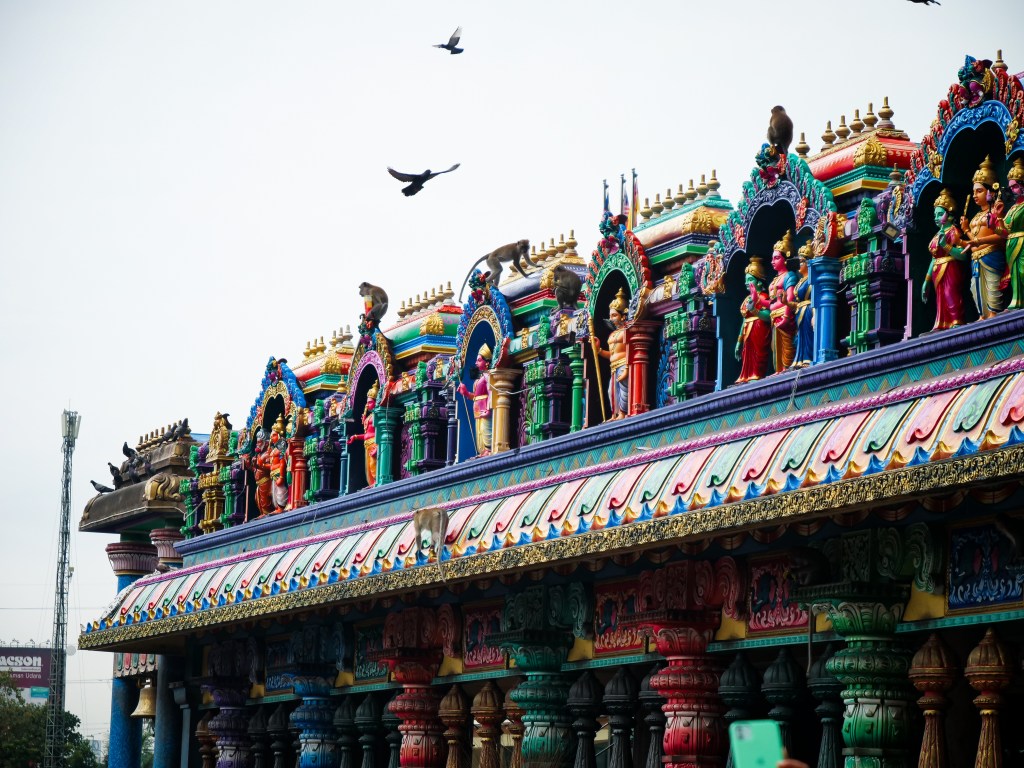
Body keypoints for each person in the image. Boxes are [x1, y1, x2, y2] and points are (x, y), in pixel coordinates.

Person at [960, 155, 1008, 319]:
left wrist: (979, 241)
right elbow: (972, 240)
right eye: (974, 192)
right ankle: (982, 314)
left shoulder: (996, 212)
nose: (975, 195)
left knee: (992, 286)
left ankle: (993, 313)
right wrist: (965, 230)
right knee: (975, 287)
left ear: (991, 191)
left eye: (979, 191)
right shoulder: (976, 216)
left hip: (992, 255)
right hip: (975, 257)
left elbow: (1002, 236)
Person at [921, 187, 969, 331]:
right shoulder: (937, 235)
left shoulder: (954, 232)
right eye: (935, 215)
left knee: (950, 293)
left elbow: (963, 254)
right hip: (937, 269)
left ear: (949, 215)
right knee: (940, 298)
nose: (936, 218)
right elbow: (933, 259)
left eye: (940, 214)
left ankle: (956, 320)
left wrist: (946, 247)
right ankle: (942, 323)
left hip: (951, 268)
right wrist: (926, 281)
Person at [590, 288, 630, 420]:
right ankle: (615, 414)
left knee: (624, 391)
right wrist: (599, 350)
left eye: (614, 315)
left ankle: (623, 414)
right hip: (614, 366)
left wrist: (628, 368)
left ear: (623, 316)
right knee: (611, 391)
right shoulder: (613, 334)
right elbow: (611, 355)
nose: (611, 319)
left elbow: (631, 349)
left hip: (624, 364)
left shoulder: (627, 331)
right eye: (610, 316)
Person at [735, 257, 772, 383]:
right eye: (746, 280)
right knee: (747, 355)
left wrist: (756, 311)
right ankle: (746, 376)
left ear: (759, 282)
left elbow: (768, 315)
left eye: (750, 280)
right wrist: (739, 342)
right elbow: (744, 320)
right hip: (747, 332)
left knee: (758, 354)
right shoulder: (747, 300)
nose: (747, 283)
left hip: (759, 329)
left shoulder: (763, 297)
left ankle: (757, 374)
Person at [995, 156, 1024, 310]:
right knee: (1015, 275)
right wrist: (999, 216)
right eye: (1011, 187)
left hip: (1023, 243)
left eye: (1015, 186)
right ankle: (1017, 301)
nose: (1012, 190)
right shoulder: (1012, 208)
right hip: (1011, 245)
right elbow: (1003, 232)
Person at [768, 232, 797, 372]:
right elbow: (770, 302)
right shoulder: (774, 279)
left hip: (785, 316)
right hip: (774, 317)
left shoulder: (789, 276)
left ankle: (786, 368)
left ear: (785, 259)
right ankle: (778, 370)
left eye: (777, 258)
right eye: (772, 258)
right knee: (775, 346)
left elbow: (789, 297)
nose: (773, 261)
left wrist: (786, 316)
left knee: (787, 347)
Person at [458, 345, 494, 455]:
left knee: (485, 430)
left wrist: (488, 408)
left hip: (484, 408)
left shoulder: (488, 376)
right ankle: (483, 450)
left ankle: (489, 449)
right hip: (478, 408)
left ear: (486, 362)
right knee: (479, 432)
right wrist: (466, 393)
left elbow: (491, 392)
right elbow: (475, 396)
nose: (476, 363)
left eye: (479, 360)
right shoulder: (480, 378)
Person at [347, 381, 379, 486]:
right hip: (367, 444)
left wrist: (378, 447)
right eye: (367, 402)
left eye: (370, 402)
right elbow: (366, 435)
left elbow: (382, 431)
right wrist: (355, 437)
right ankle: (371, 484)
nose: (367, 404)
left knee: (373, 465)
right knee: (368, 469)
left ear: (376, 402)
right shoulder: (369, 417)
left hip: (374, 443)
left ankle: (376, 482)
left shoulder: (377, 416)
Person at [790, 243, 814, 367]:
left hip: (809, 310)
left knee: (808, 335)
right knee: (801, 337)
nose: (800, 265)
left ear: (808, 263)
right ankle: (800, 359)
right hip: (800, 311)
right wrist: (785, 302)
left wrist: (815, 315)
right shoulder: (800, 280)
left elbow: (816, 298)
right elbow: (796, 303)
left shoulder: (812, 279)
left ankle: (808, 358)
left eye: (802, 262)